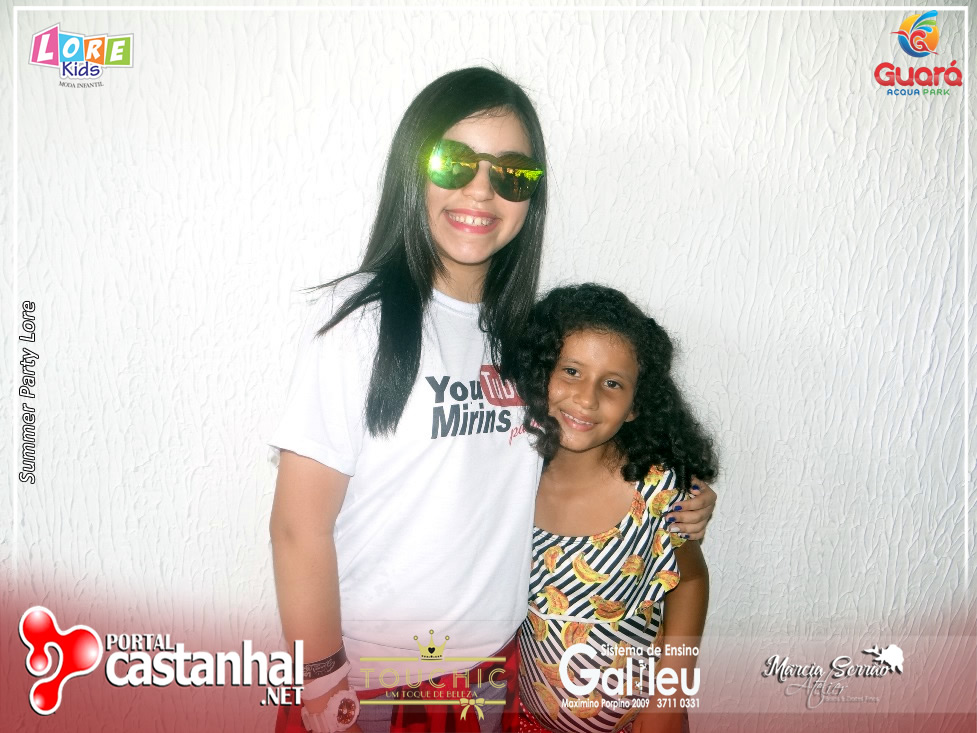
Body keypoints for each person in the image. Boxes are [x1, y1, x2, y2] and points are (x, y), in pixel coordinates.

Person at [269, 68, 718, 733]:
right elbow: (296, 526)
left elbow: (582, 448)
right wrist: (322, 680)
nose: (481, 189)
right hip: (374, 683)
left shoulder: (526, 338)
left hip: (494, 678)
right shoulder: (360, 322)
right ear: (413, 166)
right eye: (454, 162)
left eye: (512, 173)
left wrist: (681, 495)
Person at [513, 284, 717, 733]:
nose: (587, 399)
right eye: (571, 371)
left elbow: (690, 581)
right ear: (539, 372)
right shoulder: (511, 481)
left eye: (612, 383)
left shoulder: (656, 492)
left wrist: (670, 698)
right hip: (527, 722)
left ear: (634, 406)